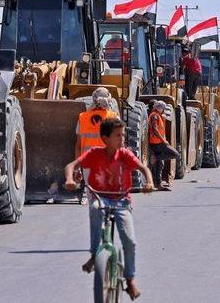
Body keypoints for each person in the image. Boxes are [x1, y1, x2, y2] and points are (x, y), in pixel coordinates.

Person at [64, 117, 155, 300]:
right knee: (95, 208)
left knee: (130, 241)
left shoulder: (125, 155)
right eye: (118, 136)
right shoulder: (95, 154)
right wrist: (69, 179)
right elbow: (71, 165)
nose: (122, 139)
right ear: (105, 138)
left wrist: (149, 182)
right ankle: (94, 254)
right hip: (101, 197)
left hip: (122, 201)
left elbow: (143, 169)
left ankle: (130, 280)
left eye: (123, 135)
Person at [76, 87, 118, 158]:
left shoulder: (83, 117)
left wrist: (77, 167)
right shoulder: (114, 117)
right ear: (109, 100)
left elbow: (78, 146)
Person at [147, 100, 179, 191]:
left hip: (157, 142)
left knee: (159, 164)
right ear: (160, 109)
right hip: (158, 143)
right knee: (175, 154)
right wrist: (163, 140)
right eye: (163, 109)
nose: (164, 111)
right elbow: (155, 129)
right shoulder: (155, 116)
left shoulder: (158, 116)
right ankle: (156, 158)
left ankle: (158, 184)